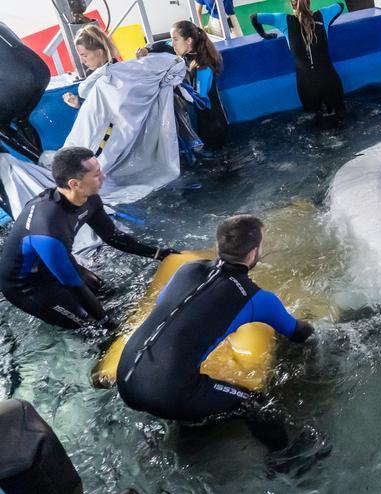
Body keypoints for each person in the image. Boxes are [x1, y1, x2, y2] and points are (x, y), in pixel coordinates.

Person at [116, 215, 318, 468]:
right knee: (254, 402)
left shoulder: (187, 269)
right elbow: (297, 334)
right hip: (169, 393)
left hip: (125, 378)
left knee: (184, 386)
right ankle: (285, 459)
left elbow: (168, 311)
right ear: (255, 252)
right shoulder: (256, 298)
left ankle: (184, 422)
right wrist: (318, 329)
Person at [0, 147, 177, 330]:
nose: (104, 177)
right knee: (91, 326)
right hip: (27, 286)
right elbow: (73, 284)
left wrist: (159, 253)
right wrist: (109, 325)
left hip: (54, 264)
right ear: (75, 184)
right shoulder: (48, 228)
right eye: (96, 174)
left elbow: (113, 237)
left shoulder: (89, 198)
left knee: (108, 293)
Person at [137, 21, 229, 150]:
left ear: (189, 41)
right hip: (203, 121)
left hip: (214, 124)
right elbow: (164, 45)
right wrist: (147, 50)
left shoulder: (203, 66)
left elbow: (201, 101)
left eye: (176, 40)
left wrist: (176, 86)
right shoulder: (187, 52)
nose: (173, 44)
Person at [251, 0, 346, 118]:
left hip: (306, 86)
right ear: (309, 2)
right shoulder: (323, 15)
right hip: (330, 81)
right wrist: (326, 22)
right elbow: (340, 6)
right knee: (341, 120)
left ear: (291, 4)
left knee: (317, 124)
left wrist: (265, 35)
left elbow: (254, 17)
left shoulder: (283, 20)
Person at [0, 21, 50, 163]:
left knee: (1, 125)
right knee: (21, 118)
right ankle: (43, 159)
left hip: (17, 80)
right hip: (40, 72)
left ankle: (42, 164)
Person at [62, 25, 122, 109]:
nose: (82, 61)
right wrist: (78, 105)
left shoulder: (117, 74)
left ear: (99, 52)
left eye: (85, 56)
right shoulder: (91, 73)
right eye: (80, 56)